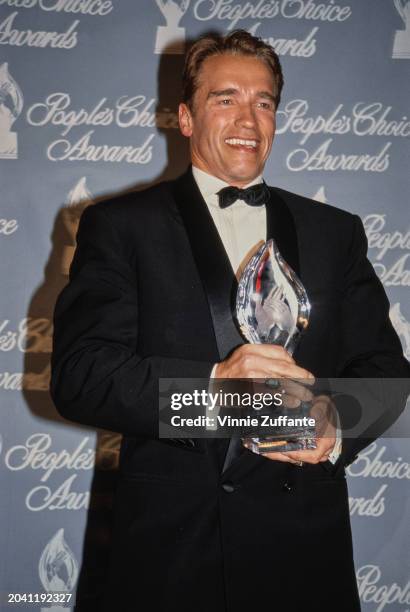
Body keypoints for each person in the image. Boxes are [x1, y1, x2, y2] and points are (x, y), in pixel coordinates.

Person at [50, 30, 410, 612]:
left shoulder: (335, 232)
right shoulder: (121, 226)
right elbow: (82, 377)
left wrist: (335, 423)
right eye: (225, 99)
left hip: (304, 556)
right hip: (172, 554)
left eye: (263, 101)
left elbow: (387, 371)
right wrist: (214, 390)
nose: (248, 117)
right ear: (187, 118)